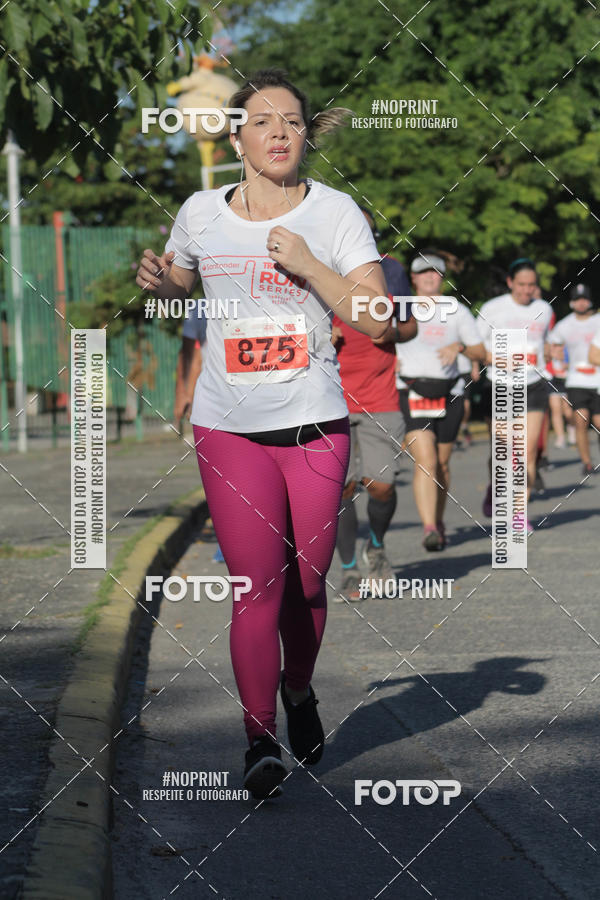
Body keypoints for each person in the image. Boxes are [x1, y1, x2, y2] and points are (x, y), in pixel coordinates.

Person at [136, 68, 388, 800]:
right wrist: (161, 284)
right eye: (263, 121)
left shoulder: (335, 213)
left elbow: (374, 316)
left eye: (292, 121)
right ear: (238, 136)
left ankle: (299, 689)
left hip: (314, 425)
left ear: (307, 135)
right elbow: (181, 281)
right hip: (229, 428)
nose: (279, 132)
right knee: (256, 588)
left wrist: (310, 265)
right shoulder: (200, 211)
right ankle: (258, 741)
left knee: (306, 586)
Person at [332, 209, 416, 600]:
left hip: (380, 394)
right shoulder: (314, 269)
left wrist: (392, 332)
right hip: (328, 397)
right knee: (343, 488)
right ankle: (348, 569)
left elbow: (410, 325)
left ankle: (377, 546)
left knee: (381, 485)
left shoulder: (391, 270)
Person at [396, 253, 485, 551]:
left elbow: (479, 351)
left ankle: (438, 517)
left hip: (450, 392)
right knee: (427, 461)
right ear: (413, 278)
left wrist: (458, 346)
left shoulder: (457, 311)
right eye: (423, 272)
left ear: (443, 278)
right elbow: (378, 339)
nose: (430, 277)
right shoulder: (400, 308)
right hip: (412, 391)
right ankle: (429, 528)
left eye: (435, 272)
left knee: (442, 464)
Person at [477, 258, 553, 532]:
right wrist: (496, 359)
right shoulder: (492, 309)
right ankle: (494, 490)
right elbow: (475, 348)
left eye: (532, 285)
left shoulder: (544, 309)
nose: (526, 290)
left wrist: (552, 356)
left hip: (533, 385)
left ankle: (518, 515)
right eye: (521, 284)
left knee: (525, 452)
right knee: (502, 452)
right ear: (510, 283)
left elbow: (546, 344)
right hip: (498, 386)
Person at [550, 284, 600, 475]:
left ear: (589, 301)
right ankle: (587, 462)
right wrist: (557, 360)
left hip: (597, 379)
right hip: (576, 379)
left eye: (584, 299)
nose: (581, 303)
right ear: (572, 302)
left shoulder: (597, 321)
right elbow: (552, 345)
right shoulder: (564, 325)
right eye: (577, 299)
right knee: (581, 419)